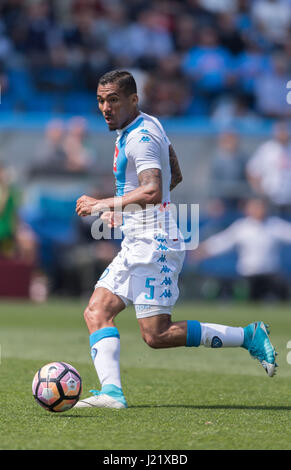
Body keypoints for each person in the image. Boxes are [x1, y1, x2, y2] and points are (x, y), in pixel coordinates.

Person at [74, 70, 277, 410]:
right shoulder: (145, 125)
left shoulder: (140, 138)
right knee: (97, 311)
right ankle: (111, 394)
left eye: (113, 100)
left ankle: (249, 336)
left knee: (156, 335)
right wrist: (128, 214)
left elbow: (154, 188)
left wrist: (104, 203)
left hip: (157, 245)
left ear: (133, 100)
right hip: (137, 240)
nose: (105, 108)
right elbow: (174, 175)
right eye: (100, 100)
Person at [194, 198, 291, 301]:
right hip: (249, 275)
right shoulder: (242, 227)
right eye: (255, 207)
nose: (258, 210)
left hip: (271, 274)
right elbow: (223, 242)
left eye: (261, 207)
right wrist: (204, 249)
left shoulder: (275, 225)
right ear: (248, 210)